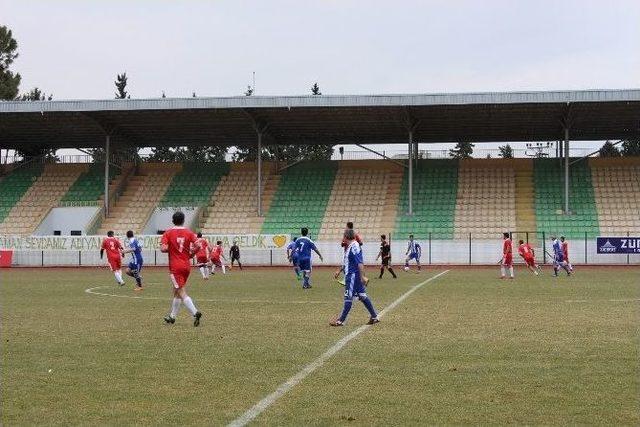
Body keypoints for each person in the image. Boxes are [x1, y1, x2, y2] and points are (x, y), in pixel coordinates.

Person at [161, 211, 202, 326]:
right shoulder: (189, 233)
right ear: (184, 220)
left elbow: (163, 248)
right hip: (186, 266)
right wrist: (192, 254)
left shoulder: (168, 233)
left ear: (173, 221)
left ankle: (195, 312)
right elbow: (198, 245)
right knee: (176, 291)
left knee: (180, 290)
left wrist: (172, 249)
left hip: (175, 266)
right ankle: (172, 317)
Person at [331, 229, 379, 326]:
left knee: (348, 297)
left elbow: (359, 262)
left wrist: (362, 277)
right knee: (362, 296)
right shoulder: (351, 246)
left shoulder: (354, 246)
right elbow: (348, 262)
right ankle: (374, 317)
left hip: (353, 276)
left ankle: (340, 320)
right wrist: (339, 270)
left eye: (343, 236)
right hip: (354, 275)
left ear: (345, 237)